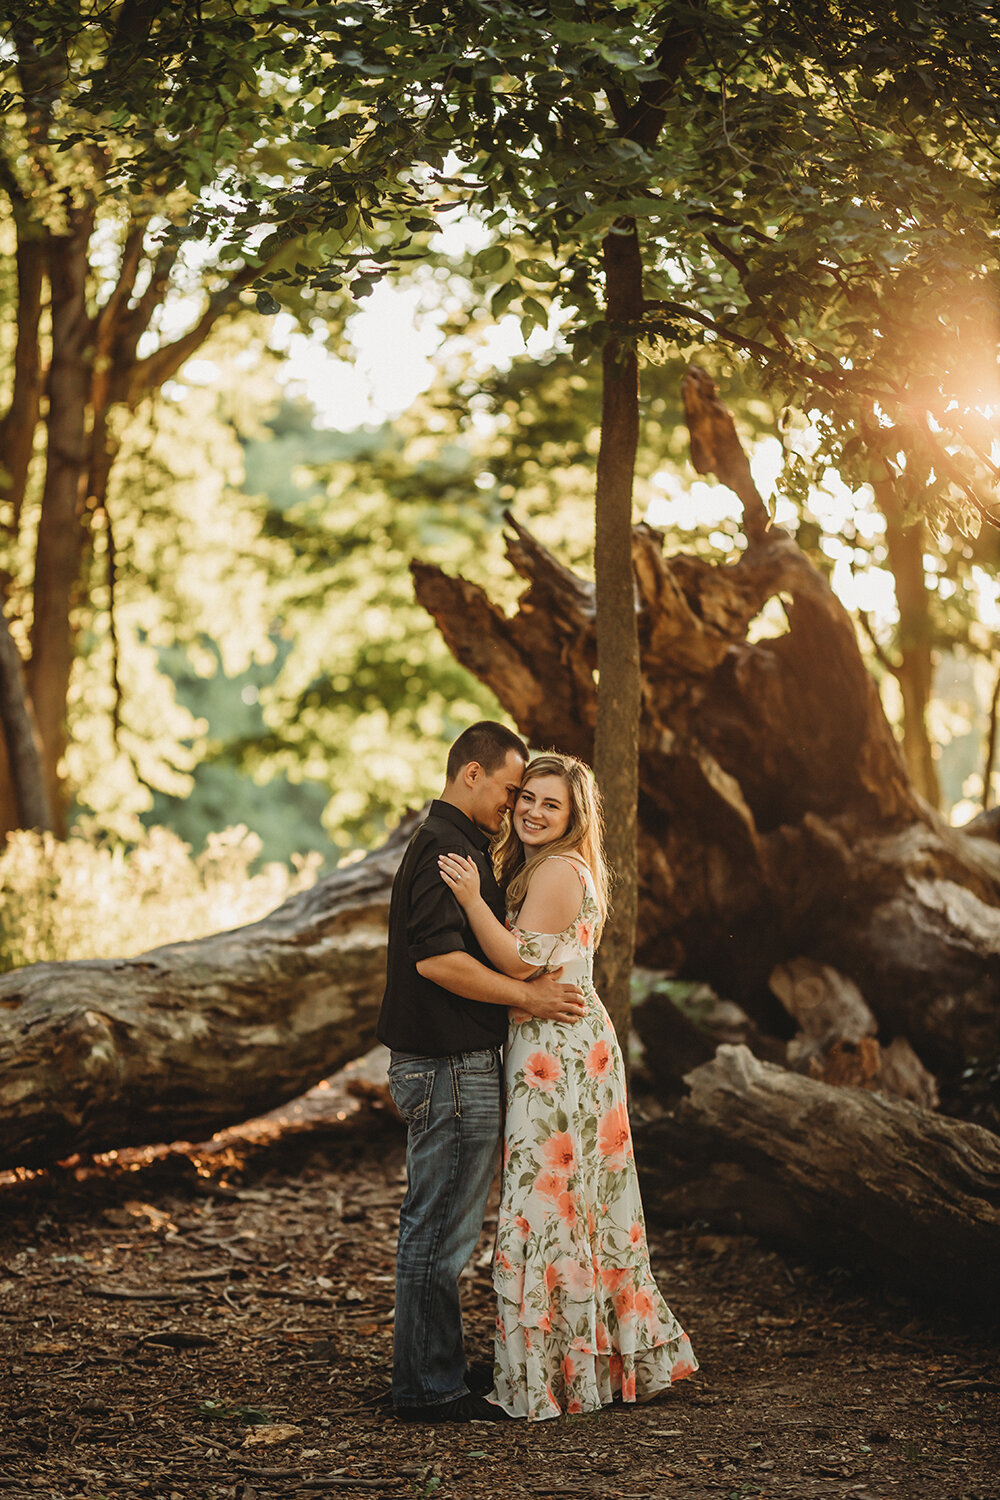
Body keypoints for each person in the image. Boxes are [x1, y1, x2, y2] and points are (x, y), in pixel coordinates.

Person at [438, 751, 698, 1421]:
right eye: (527, 797)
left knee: (546, 1199)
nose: (531, 810)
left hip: (558, 1050)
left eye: (551, 804)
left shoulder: (557, 869)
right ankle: (584, 1360)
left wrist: (469, 900)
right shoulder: (549, 867)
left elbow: (516, 959)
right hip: (558, 1043)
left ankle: (557, 1371)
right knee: (573, 1198)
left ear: (573, 816)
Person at [377, 723, 587, 1424]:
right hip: (446, 1067)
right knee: (439, 1230)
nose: (513, 803)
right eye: (508, 788)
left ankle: (431, 1364)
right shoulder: (445, 846)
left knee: (440, 1226)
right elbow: (436, 960)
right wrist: (530, 996)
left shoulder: (460, 844)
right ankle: (428, 1389)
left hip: (448, 1064)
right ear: (472, 774)